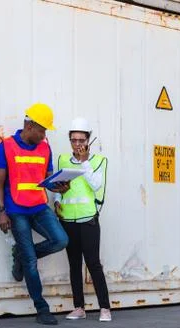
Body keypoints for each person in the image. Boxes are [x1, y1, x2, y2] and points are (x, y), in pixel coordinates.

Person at [0, 103, 69, 325]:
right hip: (16, 211)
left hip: (39, 207)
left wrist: (59, 187)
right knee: (31, 263)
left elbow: (49, 179)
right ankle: (42, 308)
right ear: (29, 125)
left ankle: (21, 255)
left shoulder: (45, 148)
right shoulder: (6, 147)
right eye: (42, 129)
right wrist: (1, 212)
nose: (45, 135)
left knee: (61, 240)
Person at [54, 117, 112, 322]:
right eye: (73, 140)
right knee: (74, 264)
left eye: (81, 140)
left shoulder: (99, 161)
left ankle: (104, 308)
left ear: (89, 140)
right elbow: (58, 185)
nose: (77, 144)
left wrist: (85, 161)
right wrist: (57, 199)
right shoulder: (62, 160)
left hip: (88, 220)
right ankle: (79, 307)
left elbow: (97, 185)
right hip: (68, 220)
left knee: (93, 263)